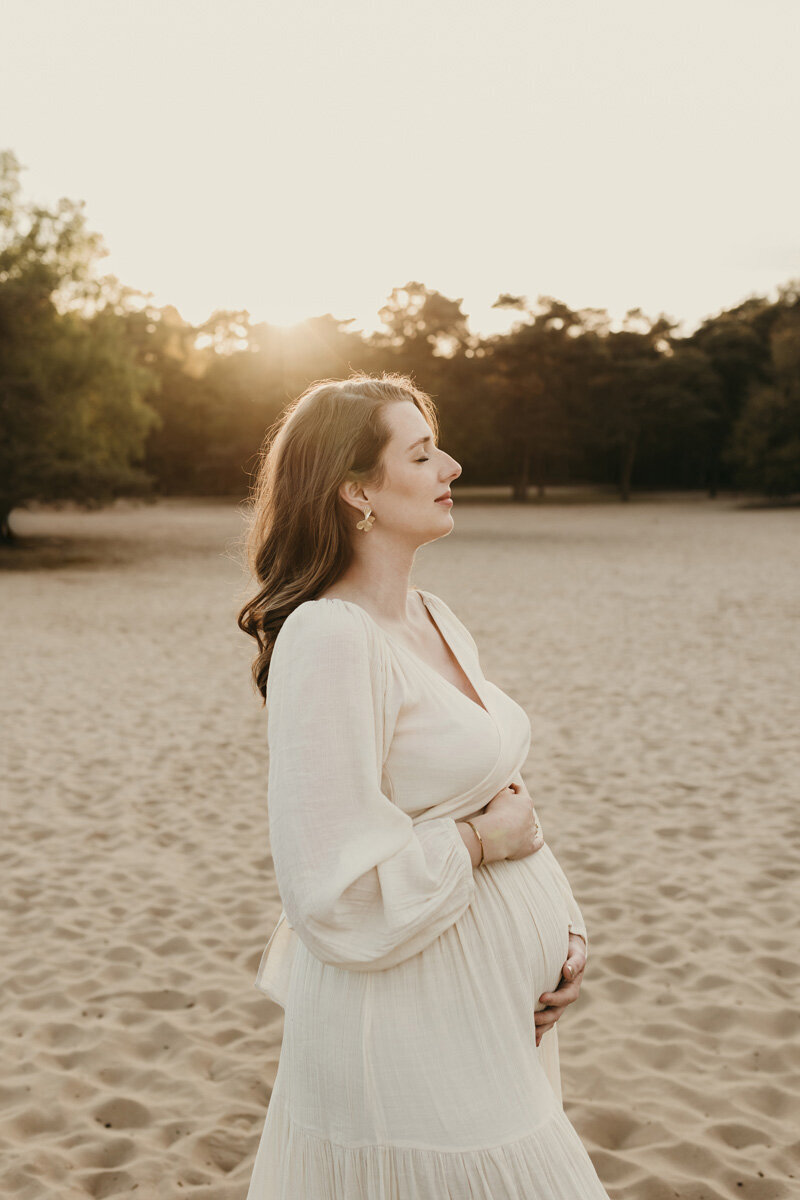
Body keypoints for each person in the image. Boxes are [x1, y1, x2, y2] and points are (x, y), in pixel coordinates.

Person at [237, 372, 610, 1198]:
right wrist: (479, 845)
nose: (453, 466)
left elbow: (506, 800)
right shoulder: (330, 639)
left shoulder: (437, 617)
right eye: (422, 452)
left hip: (490, 1027)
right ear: (355, 490)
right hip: (405, 1029)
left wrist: (566, 938)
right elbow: (328, 889)